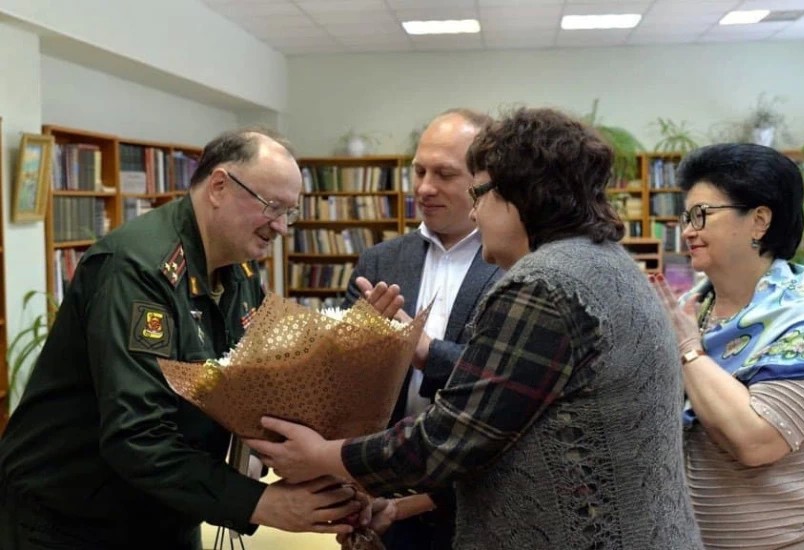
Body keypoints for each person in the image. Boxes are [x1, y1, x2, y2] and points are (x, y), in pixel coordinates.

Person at [246, 107, 704, 549]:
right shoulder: (607, 262)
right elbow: (512, 435)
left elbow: (448, 438)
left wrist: (322, 456)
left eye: (480, 194)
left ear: (521, 196)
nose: (475, 213)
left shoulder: (546, 284)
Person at [0, 129, 363, 550]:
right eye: (272, 207)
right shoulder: (138, 269)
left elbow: (258, 378)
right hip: (73, 517)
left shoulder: (239, 270)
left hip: (169, 506)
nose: (281, 227)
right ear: (220, 187)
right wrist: (261, 503)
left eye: (290, 212)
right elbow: (137, 435)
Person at [342, 108, 502, 550]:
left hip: (478, 501)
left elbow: (504, 382)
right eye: (419, 170)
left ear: (484, 179)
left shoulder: (513, 263)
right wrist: (356, 341)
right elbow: (339, 375)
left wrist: (422, 349)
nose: (424, 187)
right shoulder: (380, 262)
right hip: (383, 496)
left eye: (445, 174)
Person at [651, 143, 804, 549]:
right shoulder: (699, 305)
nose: (688, 230)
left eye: (701, 215)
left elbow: (757, 439)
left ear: (759, 220)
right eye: (686, 216)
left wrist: (688, 348)